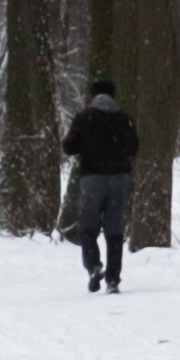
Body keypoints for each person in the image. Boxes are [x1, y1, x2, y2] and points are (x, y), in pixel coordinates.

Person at [59, 79, 139, 293]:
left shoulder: (84, 118)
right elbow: (134, 147)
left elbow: (69, 147)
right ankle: (113, 280)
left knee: (89, 228)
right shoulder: (124, 118)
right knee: (114, 231)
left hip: (92, 178)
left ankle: (94, 266)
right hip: (119, 179)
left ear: (93, 96)